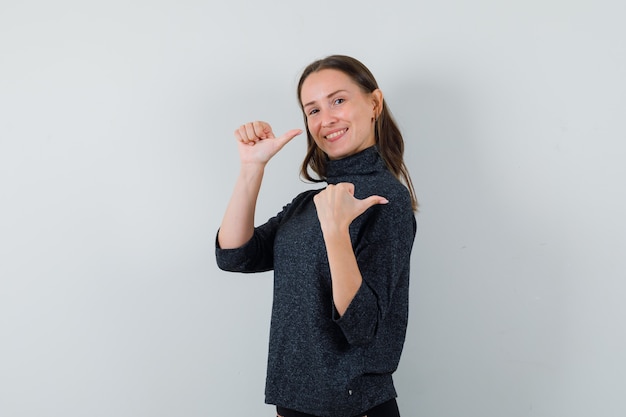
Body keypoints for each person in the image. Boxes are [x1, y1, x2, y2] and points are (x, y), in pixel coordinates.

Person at [215, 55, 417, 417]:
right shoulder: (311, 202)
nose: (326, 119)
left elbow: (362, 326)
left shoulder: (387, 199)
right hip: (294, 405)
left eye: (338, 100)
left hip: (353, 406)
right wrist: (251, 168)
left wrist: (336, 232)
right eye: (313, 110)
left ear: (374, 103)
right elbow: (234, 255)